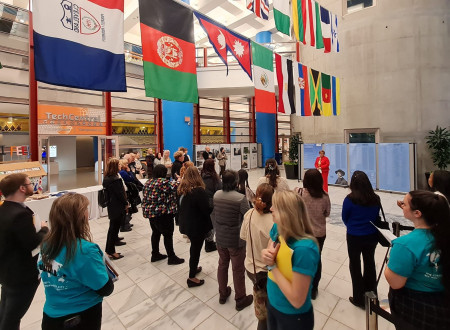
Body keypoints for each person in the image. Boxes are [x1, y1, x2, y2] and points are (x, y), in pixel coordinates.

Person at [37, 193, 114, 329]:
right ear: (79, 217)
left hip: (51, 317)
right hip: (80, 317)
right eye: (85, 210)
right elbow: (105, 288)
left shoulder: (46, 244)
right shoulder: (85, 250)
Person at [385, 190, 450, 329]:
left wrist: (390, 263)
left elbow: (395, 282)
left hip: (416, 308)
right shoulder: (444, 235)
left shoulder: (405, 244)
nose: (402, 206)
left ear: (417, 213)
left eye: (404, 204)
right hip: (443, 303)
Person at [261, 190, 319, 330]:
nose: (271, 209)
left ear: (287, 213)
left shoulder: (304, 250)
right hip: (273, 303)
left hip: (292, 317)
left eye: (275, 206)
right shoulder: (278, 227)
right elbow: (270, 248)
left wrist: (272, 266)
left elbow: (297, 300)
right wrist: (265, 253)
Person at [0, 173, 49, 330]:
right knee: (12, 318)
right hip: (21, 276)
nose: (32, 186)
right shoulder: (20, 215)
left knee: (6, 312)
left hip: (7, 271)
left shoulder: (5, 208)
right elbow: (32, 243)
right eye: (29, 183)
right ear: (22, 188)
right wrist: (44, 229)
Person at [213, 170, 253, 311]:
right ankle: (240, 298)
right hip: (236, 240)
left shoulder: (216, 195)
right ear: (236, 182)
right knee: (238, 269)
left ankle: (223, 293)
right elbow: (248, 217)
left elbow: (214, 215)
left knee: (222, 264)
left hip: (221, 238)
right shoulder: (240, 198)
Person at [342, 170, 381, 309]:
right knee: (369, 262)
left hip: (354, 236)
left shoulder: (350, 199)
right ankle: (372, 293)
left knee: (355, 264)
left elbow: (344, 218)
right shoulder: (375, 199)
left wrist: (353, 226)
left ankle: (358, 297)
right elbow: (376, 216)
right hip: (371, 236)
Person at [240, 183, 275, 330]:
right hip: (266, 272)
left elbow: (243, 237)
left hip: (250, 266)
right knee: (271, 308)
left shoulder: (249, 214)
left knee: (261, 305)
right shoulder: (274, 222)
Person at [295, 169, 331, 300]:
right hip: (319, 234)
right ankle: (314, 288)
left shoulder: (298, 193)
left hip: (302, 232)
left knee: (301, 258)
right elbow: (327, 213)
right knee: (317, 259)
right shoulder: (325, 196)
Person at [178, 166, 213, 287]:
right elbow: (206, 210)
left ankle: (194, 267)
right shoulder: (199, 191)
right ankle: (191, 277)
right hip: (197, 226)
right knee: (195, 250)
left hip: (187, 224)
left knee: (194, 249)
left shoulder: (183, 189)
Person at [142, 165, 184, 265]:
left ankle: (155, 254)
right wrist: (180, 180)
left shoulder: (149, 182)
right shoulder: (163, 182)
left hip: (151, 213)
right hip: (163, 213)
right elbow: (177, 187)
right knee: (168, 234)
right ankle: (171, 257)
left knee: (155, 233)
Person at [103, 158, 128, 260]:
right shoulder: (115, 180)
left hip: (112, 206)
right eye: (118, 165)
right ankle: (111, 251)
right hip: (117, 207)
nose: (120, 167)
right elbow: (120, 194)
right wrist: (126, 203)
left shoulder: (107, 178)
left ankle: (110, 249)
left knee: (113, 228)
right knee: (113, 229)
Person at [201, 159, 222, 252]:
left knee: (207, 222)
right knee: (213, 223)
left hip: (202, 202)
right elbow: (219, 190)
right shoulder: (214, 178)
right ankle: (210, 244)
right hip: (212, 203)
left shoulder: (200, 176)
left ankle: (208, 241)